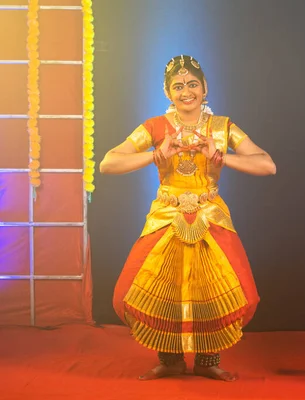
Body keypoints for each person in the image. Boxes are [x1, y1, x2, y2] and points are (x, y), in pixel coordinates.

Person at [99, 55, 276, 381]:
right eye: (177, 86)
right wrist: (157, 154)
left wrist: (219, 156)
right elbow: (108, 163)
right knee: (162, 288)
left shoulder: (222, 127)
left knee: (215, 289)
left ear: (205, 88)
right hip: (167, 216)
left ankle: (209, 361)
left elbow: (267, 164)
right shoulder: (155, 127)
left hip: (210, 215)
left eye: (192, 84)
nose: (186, 91)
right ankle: (171, 360)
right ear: (168, 93)